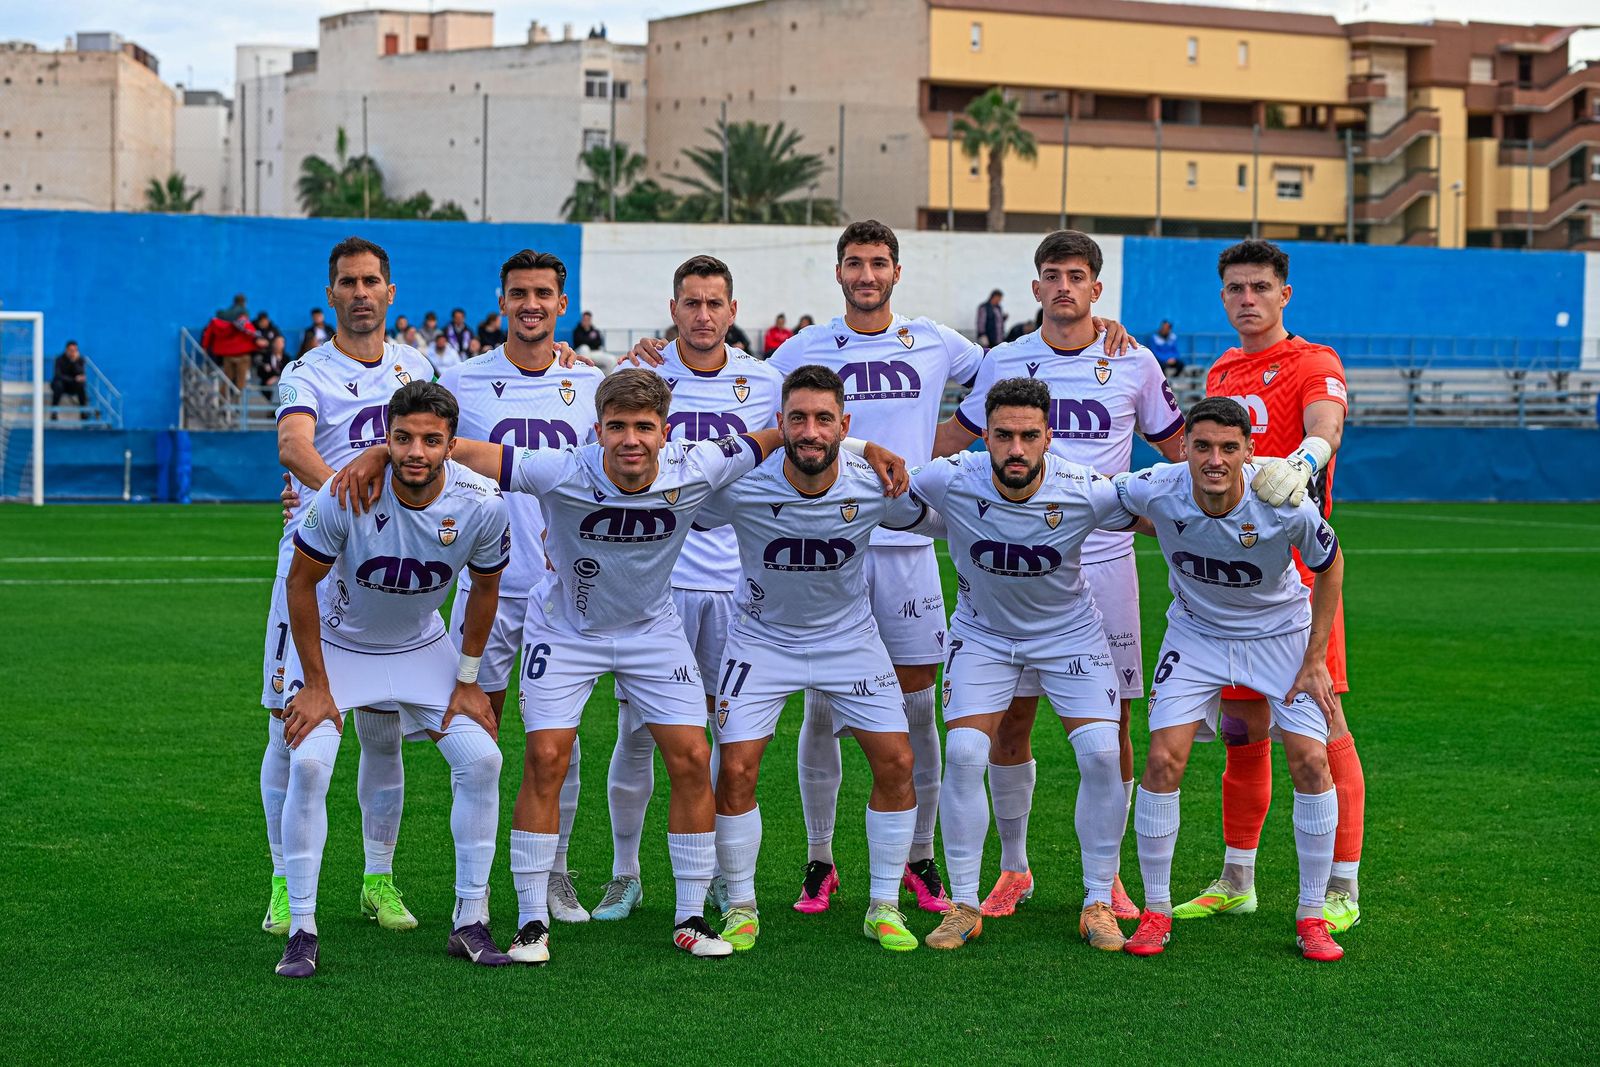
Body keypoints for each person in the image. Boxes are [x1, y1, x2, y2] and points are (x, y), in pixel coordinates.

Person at [628, 221, 1138, 915]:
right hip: (822, 528)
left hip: (903, 536)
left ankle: (921, 858)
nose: (866, 275)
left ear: (897, 272)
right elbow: (784, 412)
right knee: (819, 703)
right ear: (837, 272)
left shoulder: (935, 340)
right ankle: (819, 858)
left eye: (878, 264)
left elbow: (1009, 376)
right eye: (854, 264)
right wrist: (653, 353)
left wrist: (1090, 324)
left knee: (915, 712)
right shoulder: (800, 350)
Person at [334, 372, 817, 961]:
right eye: (617, 427)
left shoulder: (699, 464)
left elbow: (773, 439)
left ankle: (690, 916)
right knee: (545, 758)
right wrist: (378, 452)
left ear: (666, 432)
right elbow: (457, 448)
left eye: (644, 427)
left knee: (693, 756)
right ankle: (532, 921)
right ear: (598, 430)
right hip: (564, 629)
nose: (631, 440)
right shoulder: (562, 469)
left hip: (651, 631)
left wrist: (863, 448)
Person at [931, 230, 1185, 922]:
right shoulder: (1005, 360)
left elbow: (1177, 449)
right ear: (1036, 288)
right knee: (1010, 717)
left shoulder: (1132, 360)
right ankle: (1013, 866)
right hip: (1013, 565)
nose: (1065, 286)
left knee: (1114, 724)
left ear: (1097, 289)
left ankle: (1109, 879)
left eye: (1078, 275)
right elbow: (955, 439)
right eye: (1052, 275)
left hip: (1103, 561)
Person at [273, 380, 513, 977]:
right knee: (307, 762)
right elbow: (299, 585)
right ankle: (301, 929)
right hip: (340, 647)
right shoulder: (345, 491)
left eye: (432, 441)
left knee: (482, 760)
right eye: (402, 439)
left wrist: (467, 679)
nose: (416, 452)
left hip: (420, 648)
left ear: (451, 445)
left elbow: (486, 590)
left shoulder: (482, 503)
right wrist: (317, 685)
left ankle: (471, 922)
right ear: (386, 438)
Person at [694, 365, 926, 953]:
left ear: (844, 424)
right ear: (779, 424)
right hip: (762, 640)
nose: (811, 431)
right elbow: (680, 483)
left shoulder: (876, 483)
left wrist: (867, 451)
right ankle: (741, 904)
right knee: (737, 769)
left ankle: (883, 905)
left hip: (850, 641)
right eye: (797, 418)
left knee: (897, 763)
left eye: (825, 419)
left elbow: (949, 514)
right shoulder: (745, 484)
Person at [1112, 396, 1346, 963]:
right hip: (1195, 637)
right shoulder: (1156, 487)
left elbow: (1331, 562)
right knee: (1164, 760)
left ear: (1247, 451)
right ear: (1185, 448)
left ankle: (1313, 916)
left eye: (1228, 448)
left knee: (1311, 762)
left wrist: (1316, 659)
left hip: (1281, 637)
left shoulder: (1283, 502)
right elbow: (1099, 500)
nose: (1214, 459)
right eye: (1202, 447)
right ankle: (1157, 912)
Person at [911, 377, 1140, 953]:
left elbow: (1166, 508)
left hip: (1070, 637)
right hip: (983, 636)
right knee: (965, 754)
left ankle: (1097, 901)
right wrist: (866, 452)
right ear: (984, 436)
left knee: (1102, 754)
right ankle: (963, 905)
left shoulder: (1086, 489)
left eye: (1029, 436)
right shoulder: (950, 478)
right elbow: (881, 487)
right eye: (1004, 435)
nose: (1016, 449)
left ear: (1049, 437)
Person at [1181, 239, 1364, 933]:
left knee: (1319, 730)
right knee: (1240, 730)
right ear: (1223, 296)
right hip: (1233, 584)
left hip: (1300, 581)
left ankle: (1342, 886)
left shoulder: (1312, 362)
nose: (1247, 298)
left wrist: (1303, 460)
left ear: (1284, 293)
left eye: (1260, 286)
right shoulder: (1225, 368)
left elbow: (1328, 428)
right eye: (1235, 288)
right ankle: (1237, 878)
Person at [596, 255, 783, 922]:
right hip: (654, 583)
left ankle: (713, 876)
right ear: (673, 308)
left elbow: (813, 438)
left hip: (738, 584)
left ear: (733, 312)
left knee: (721, 736)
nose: (703, 315)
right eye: (691, 303)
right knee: (639, 729)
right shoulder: (640, 376)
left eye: (715, 304)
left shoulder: (766, 381)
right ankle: (624, 873)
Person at [259, 236, 435, 941]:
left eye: (371, 281)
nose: (360, 292)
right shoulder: (307, 372)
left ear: (391, 292)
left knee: (382, 727)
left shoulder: (417, 366)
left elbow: (450, 439)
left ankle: (378, 878)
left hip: (393, 568)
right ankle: (282, 882)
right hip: (316, 563)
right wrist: (347, 498)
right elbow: (293, 446)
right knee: (290, 722)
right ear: (330, 294)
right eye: (347, 282)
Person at [437, 249, 603, 925]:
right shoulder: (461, 381)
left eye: (543, 294)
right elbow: (417, 447)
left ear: (563, 305)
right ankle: (471, 888)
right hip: (489, 590)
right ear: (501, 301)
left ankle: (555, 873)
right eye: (518, 293)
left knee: (559, 740)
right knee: (476, 738)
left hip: (567, 594)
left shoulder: (592, 384)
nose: (530, 304)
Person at [201, 302, 257, 391]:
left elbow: (207, 335)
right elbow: (253, 334)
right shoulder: (243, 322)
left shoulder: (216, 323)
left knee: (227, 379)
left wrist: (205, 347)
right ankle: (238, 402)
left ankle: (221, 401)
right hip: (242, 355)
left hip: (227, 355)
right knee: (241, 381)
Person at [50, 341, 89, 420]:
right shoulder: (59, 359)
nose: (73, 352)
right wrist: (74, 379)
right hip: (61, 384)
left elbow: (81, 374)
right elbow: (58, 375)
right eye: (71, 350)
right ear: (66, 350)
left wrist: (74, 362)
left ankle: (83, 412)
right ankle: (54, 412)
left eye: (75, 350)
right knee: (58, 385)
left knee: (81, 386)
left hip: (73, 385)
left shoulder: (80, 360)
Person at [255, 333, 291, 402]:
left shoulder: (286, 358)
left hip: (281, 385)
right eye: (277, 342)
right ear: (273, 343)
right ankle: (274, 408)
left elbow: (288, 374)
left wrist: (276, 378)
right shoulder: (266, 356)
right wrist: (265, 370)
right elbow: (259, 373)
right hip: (267, 385)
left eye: (282, 342)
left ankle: (274, 407)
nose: (279, 344)